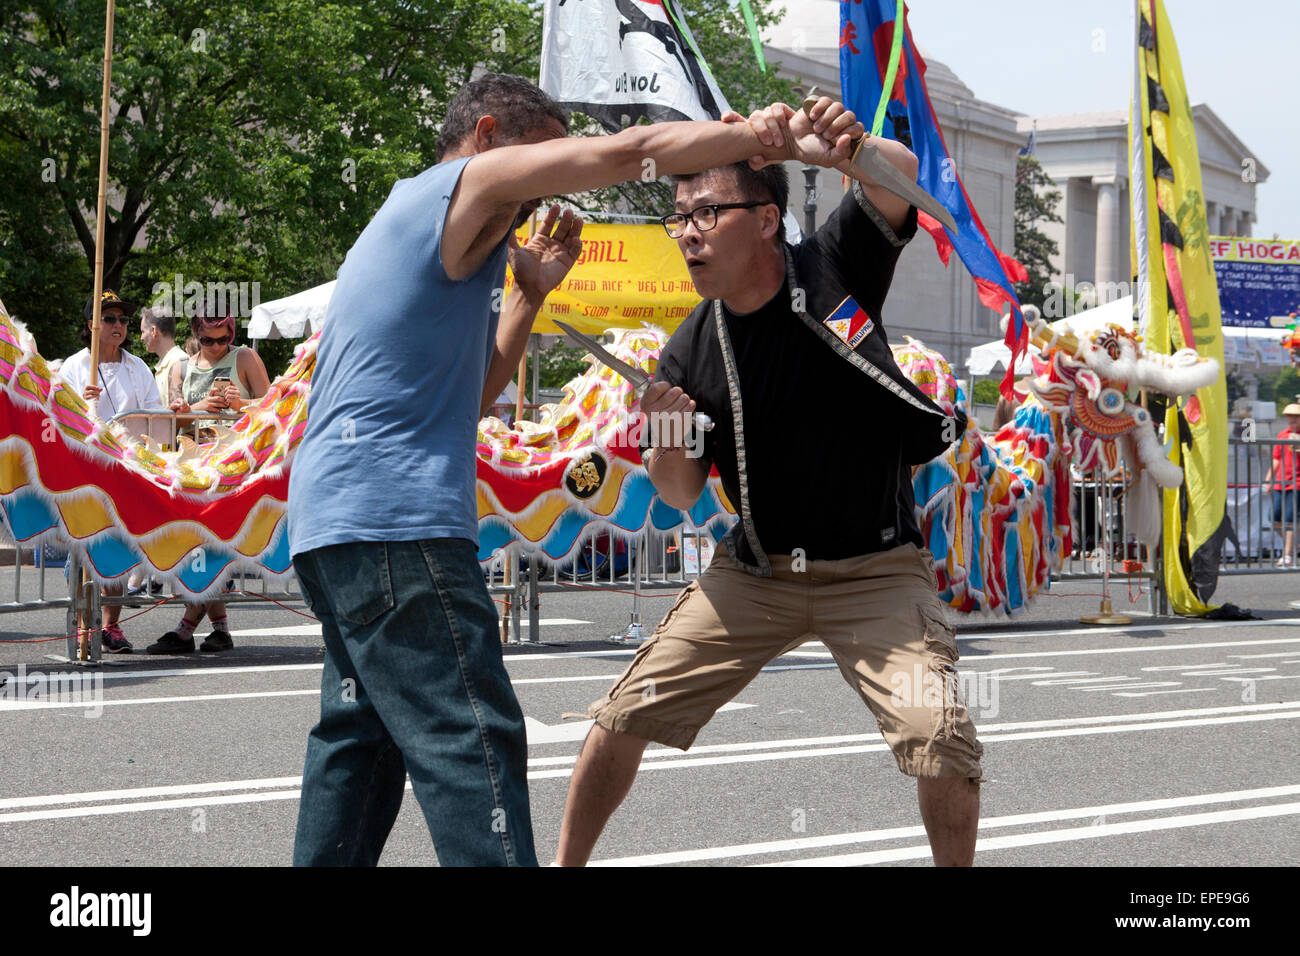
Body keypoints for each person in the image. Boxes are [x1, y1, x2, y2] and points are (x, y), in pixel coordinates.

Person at [285, 73, 849, 867]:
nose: (551, 189)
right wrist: (753, 138)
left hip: (333, 523)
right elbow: (633, 151)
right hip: (395, 521)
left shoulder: (412, 224)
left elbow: (472, 399)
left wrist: (525, 298)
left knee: (359, 744)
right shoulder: (465, 183)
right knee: (472, 737)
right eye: (544, 161)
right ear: (485, 137)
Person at [553, 99, 984, 867]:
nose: (686, 230)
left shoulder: (833, 263)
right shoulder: (687, 350)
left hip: (876, 572)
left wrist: (840, 150)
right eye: (678, 217)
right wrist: (667, 428)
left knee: (939, 732)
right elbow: (680, 492)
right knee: (621, 714)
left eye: (706, 211)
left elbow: (904, 174)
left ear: (766, 219)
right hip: (754, 574)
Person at [147, 314, 271, 654]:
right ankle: (219, 629)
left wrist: (239, 405)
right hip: (191, 470)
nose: (216, 347)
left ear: (231, 335)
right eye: (208, 340)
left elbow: (273, 404)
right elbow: (174, 417)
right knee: (197, 545)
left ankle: (186, 629)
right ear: (196, 335)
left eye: (222, 340)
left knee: (212, 544)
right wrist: (193, 408)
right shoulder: (180, 368)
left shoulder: (244, 357)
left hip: (233, 471)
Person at [60, 290, 168, 653]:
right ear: (91, 324)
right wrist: (79, 405)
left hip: (127, 472)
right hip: (86, 474)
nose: (118, 325)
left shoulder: (137, 366)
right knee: (87, 548)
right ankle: (82, 625)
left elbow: (156, 413)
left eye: (123, 319)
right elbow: (57, 416)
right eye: (109, 319)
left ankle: (111, 625)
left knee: (122, 549)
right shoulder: (75, 366)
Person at [1262, 402, 1300, 567]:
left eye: (1295, 418)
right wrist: (1269, 478)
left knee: (1290, 519)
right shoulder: (1282, 435)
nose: (1291, 420)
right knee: (1274, 518)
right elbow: (1276, 458)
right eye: (1289, 417)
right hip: (1281, 482)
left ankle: (1287, 554)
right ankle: (1291, 545)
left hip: (1297, 483)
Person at [138, 307, 187, 407]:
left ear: (153, 331)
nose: (141, 338)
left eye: (143, 332)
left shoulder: (181, 362)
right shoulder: (168, 364)